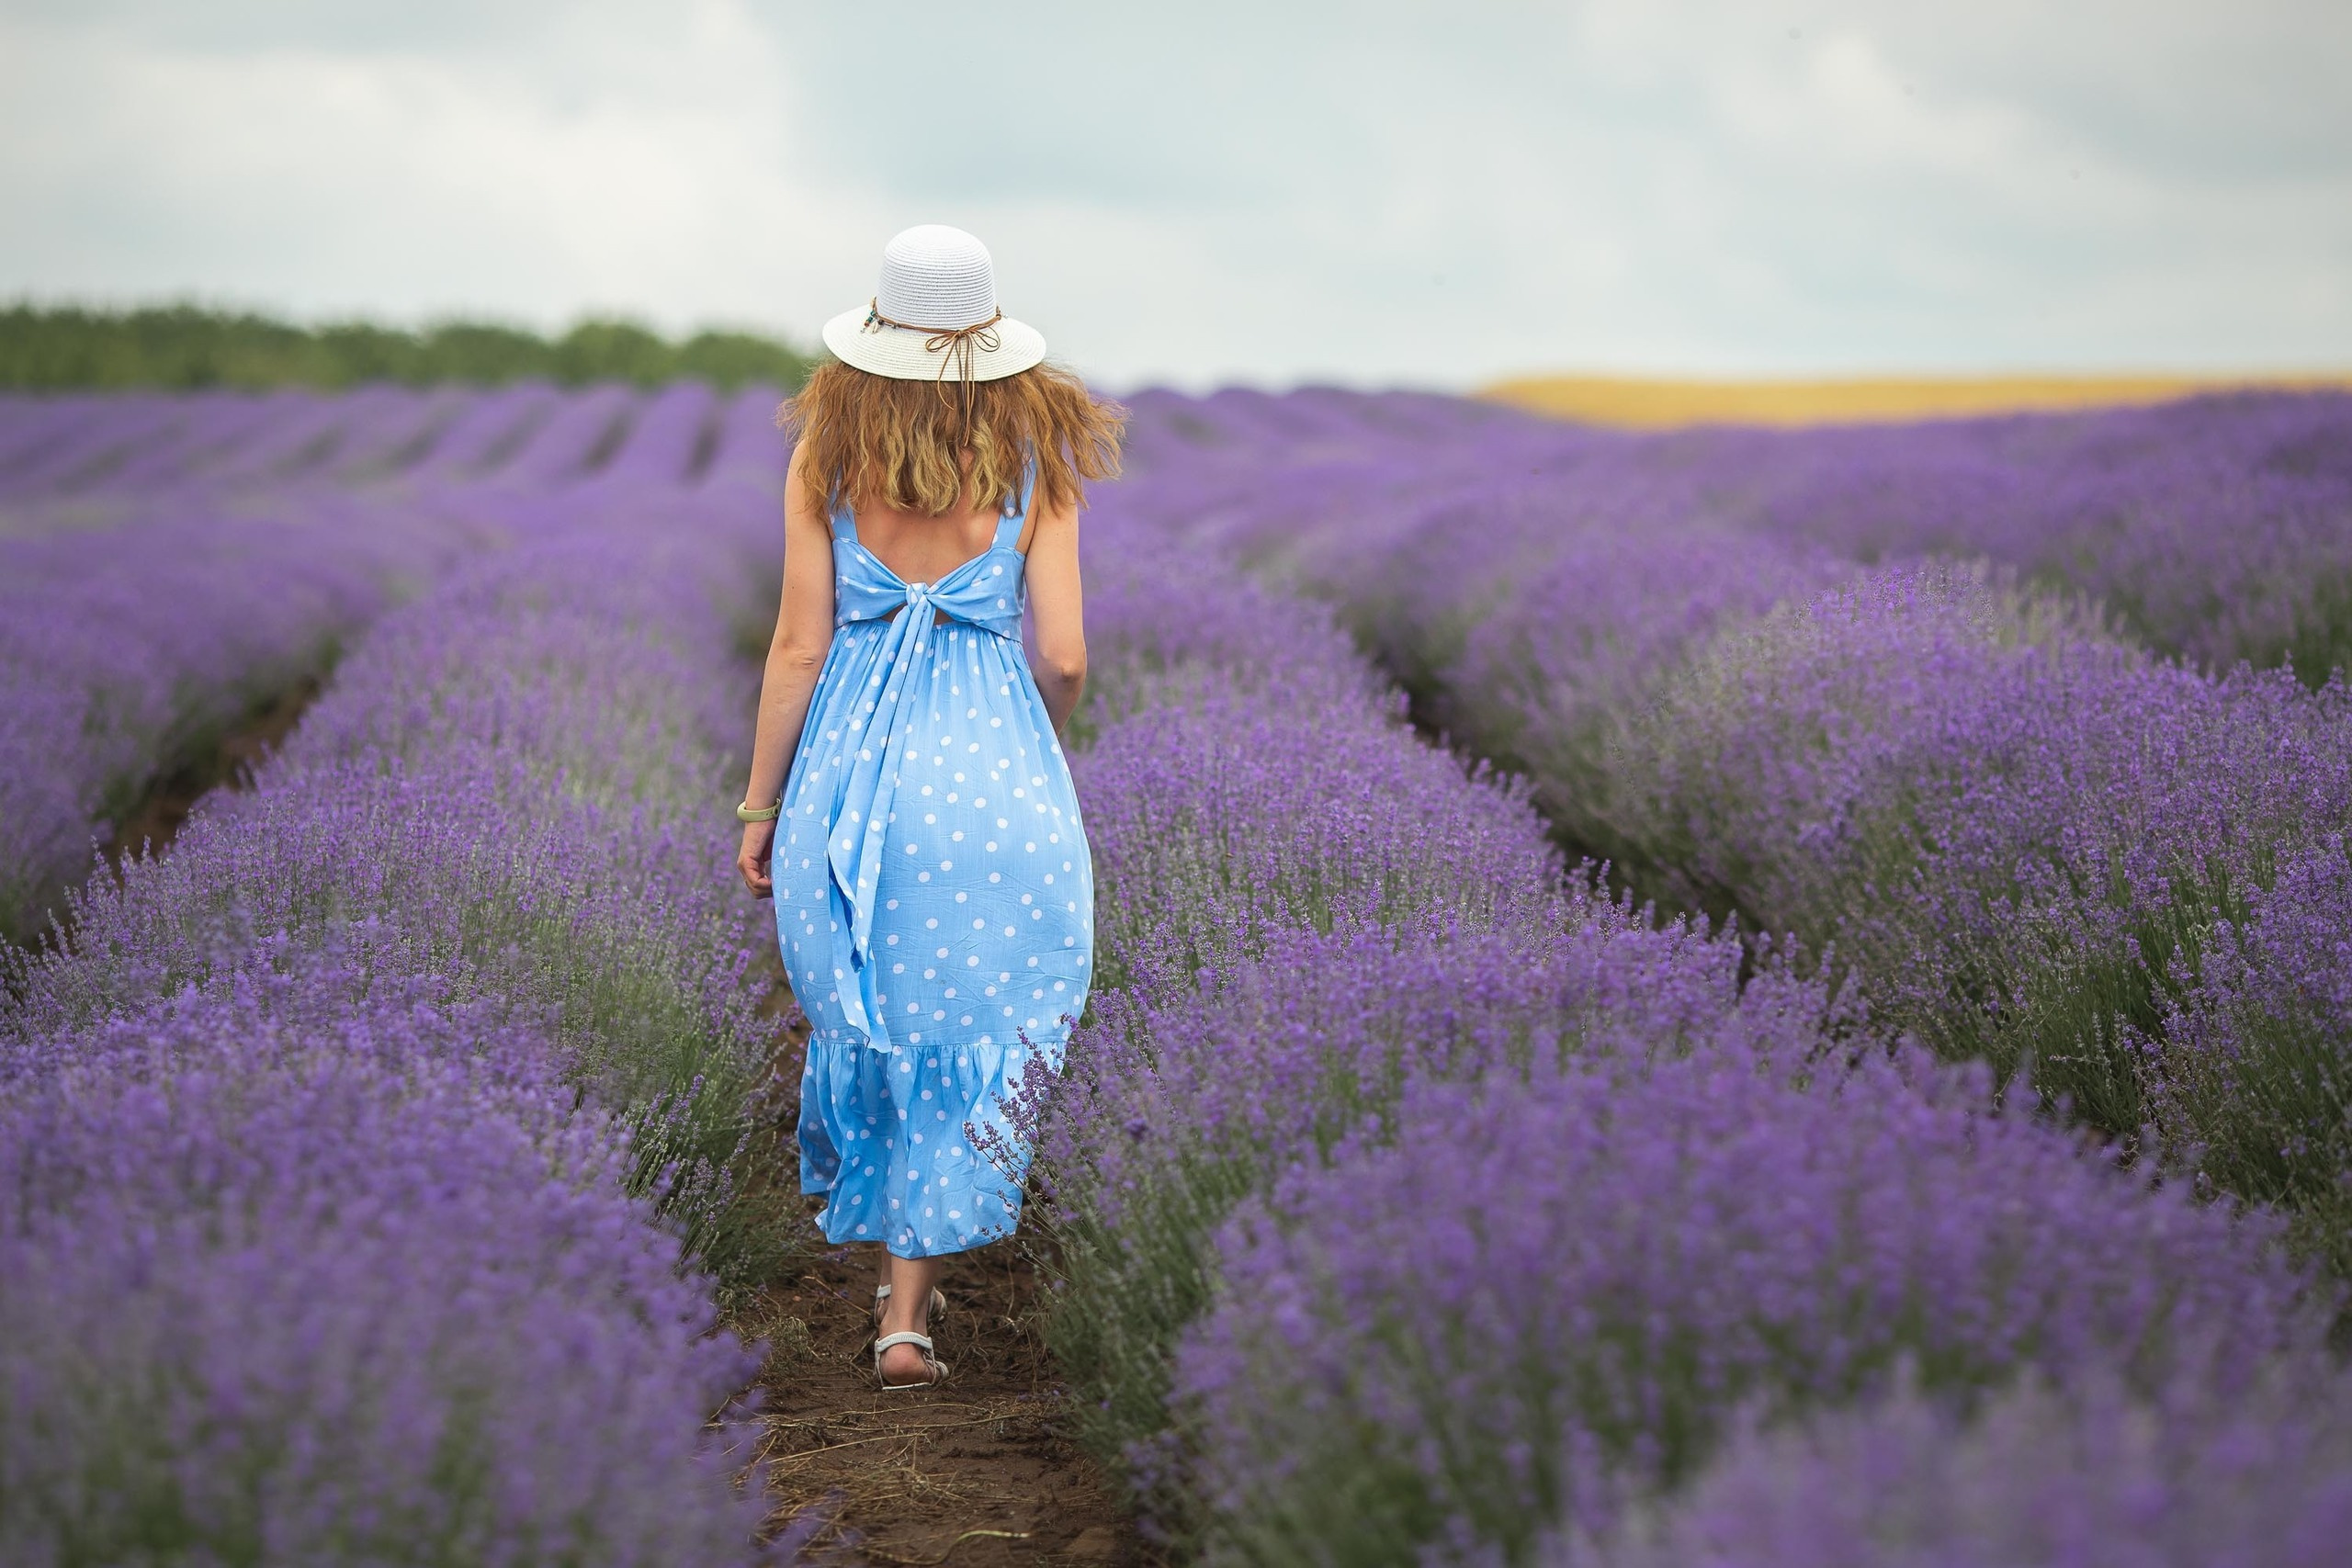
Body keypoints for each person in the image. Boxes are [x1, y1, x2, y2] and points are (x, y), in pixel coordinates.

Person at [734, 225, 1122, 1390]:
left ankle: (891, 1314)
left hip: (851, 779)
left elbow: (797, 647)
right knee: (980, 1020)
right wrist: (1033, 746)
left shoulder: (821, 463)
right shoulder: (1034, 465)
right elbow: (1064, 653)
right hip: (990, 770)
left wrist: (759, 807)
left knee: (877, 1012)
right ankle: (910, 1316)